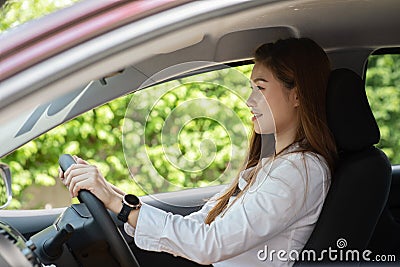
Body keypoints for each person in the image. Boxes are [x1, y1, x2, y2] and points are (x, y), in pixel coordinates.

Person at [60, 37, 337, 267]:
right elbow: (201, 224)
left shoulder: (299, 172)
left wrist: (116, 204)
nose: (249, 100)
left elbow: (210, 243)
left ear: (297, 95)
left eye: (260, 89)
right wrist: (111, 193)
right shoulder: (274, 164)